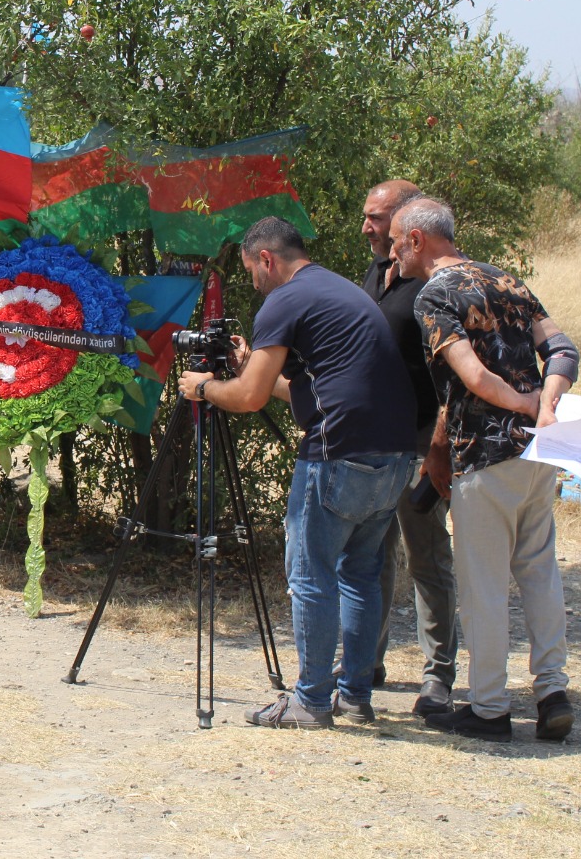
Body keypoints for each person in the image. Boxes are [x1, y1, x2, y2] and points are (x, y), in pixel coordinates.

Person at [177, 217, 419, 729]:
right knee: (360, 575)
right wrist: (249, 363)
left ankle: (310, 700)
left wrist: (202, 387)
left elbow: (248, 398)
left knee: (311, 578)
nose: (254, 284)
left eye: (251, 272)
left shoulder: (282, 300)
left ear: (266, 259)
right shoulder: (339, 290)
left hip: (337, 453)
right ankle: (354, 695)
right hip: (394, 455)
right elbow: (313, 386)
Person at [390, 197, 578, 742]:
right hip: (537, 453)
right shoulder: (507, 280)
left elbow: (470, 375)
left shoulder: (435, 294)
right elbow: (562, 349)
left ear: (418, 240)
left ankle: (490, 707)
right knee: (539, 570)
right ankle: (552, 692)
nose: (393, 255)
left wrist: (523, 403)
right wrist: (546, 404)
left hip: (484, 455)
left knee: (483, 585)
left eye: (398, 243)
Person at [359, 180, 460, 716]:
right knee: (371, 552)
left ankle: (438, 675)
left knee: (427, 555)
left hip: (423, 438)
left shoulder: (435, 284)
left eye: (377, 219)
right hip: (374, 438)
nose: (368, 228)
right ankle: (364, 660)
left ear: (408, 223)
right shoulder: (376, 272)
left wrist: (439, 446)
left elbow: (452, 375)